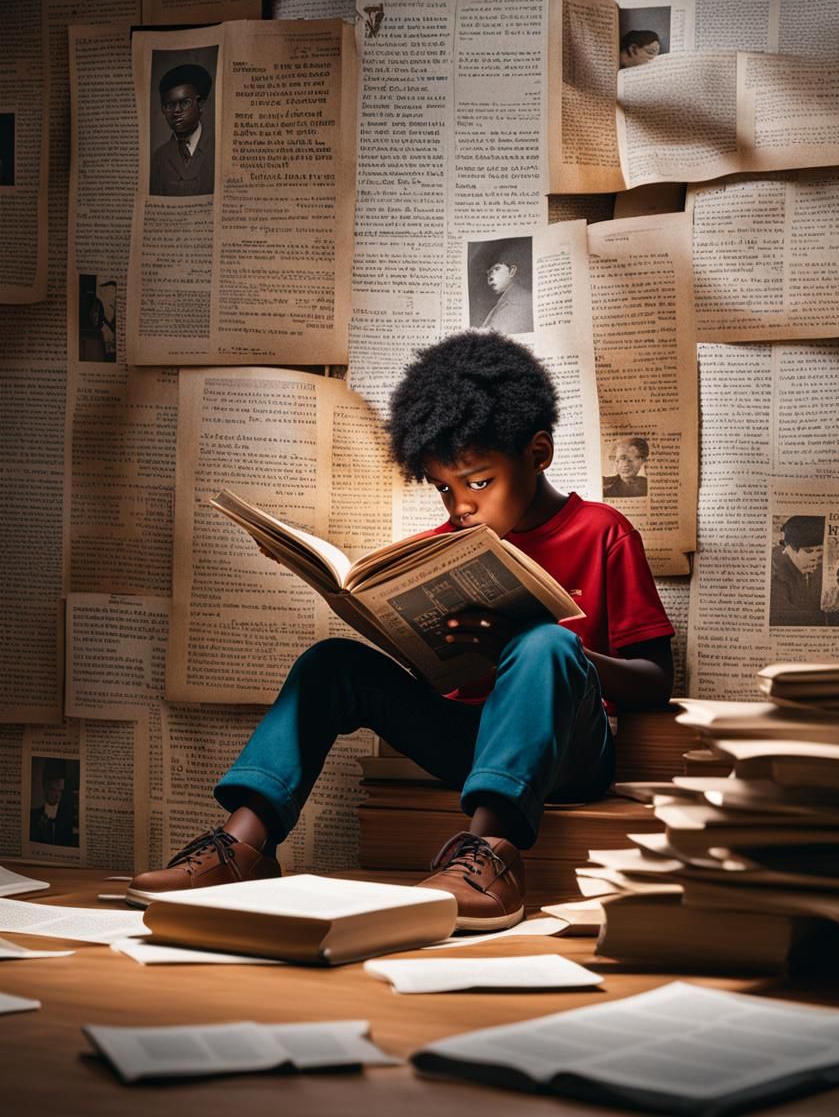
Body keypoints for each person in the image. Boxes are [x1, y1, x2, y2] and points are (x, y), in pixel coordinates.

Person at [127, 331, 674, 930]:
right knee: (331, 662)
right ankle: (245, 847)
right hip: (464, 742)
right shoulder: (440, 549)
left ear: (537, 452)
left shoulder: (603, 532)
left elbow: (653, 681)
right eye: (445, 487)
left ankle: (488, 855)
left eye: (478, 481)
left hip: (567, 751)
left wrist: (556, 648)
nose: (459, 506)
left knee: (543, 641)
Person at [149, 63, 214, 197]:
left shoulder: (218, 145)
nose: (177, 110)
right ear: (163, 110)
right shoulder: (159, 157)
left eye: (185, 102)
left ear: (200, 105)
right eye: (169, 105)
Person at [769, 516, 825, 626]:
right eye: (808, 551)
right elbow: (785, 617)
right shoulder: (775, 571)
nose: (816, 557)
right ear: (789, 549)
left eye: (819, 550)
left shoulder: (818, 565)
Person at [481, 253, 533, 336]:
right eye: (489, 273)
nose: (490, 277)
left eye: (496, 269)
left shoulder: (526, 300)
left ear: (511, 271)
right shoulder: (503, 301)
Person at [29, 762, 76, 847]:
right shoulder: (33, 816)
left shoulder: (68, 819)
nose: (58, 795)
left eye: (61, 790)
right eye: (53, 789)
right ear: (45, 788)